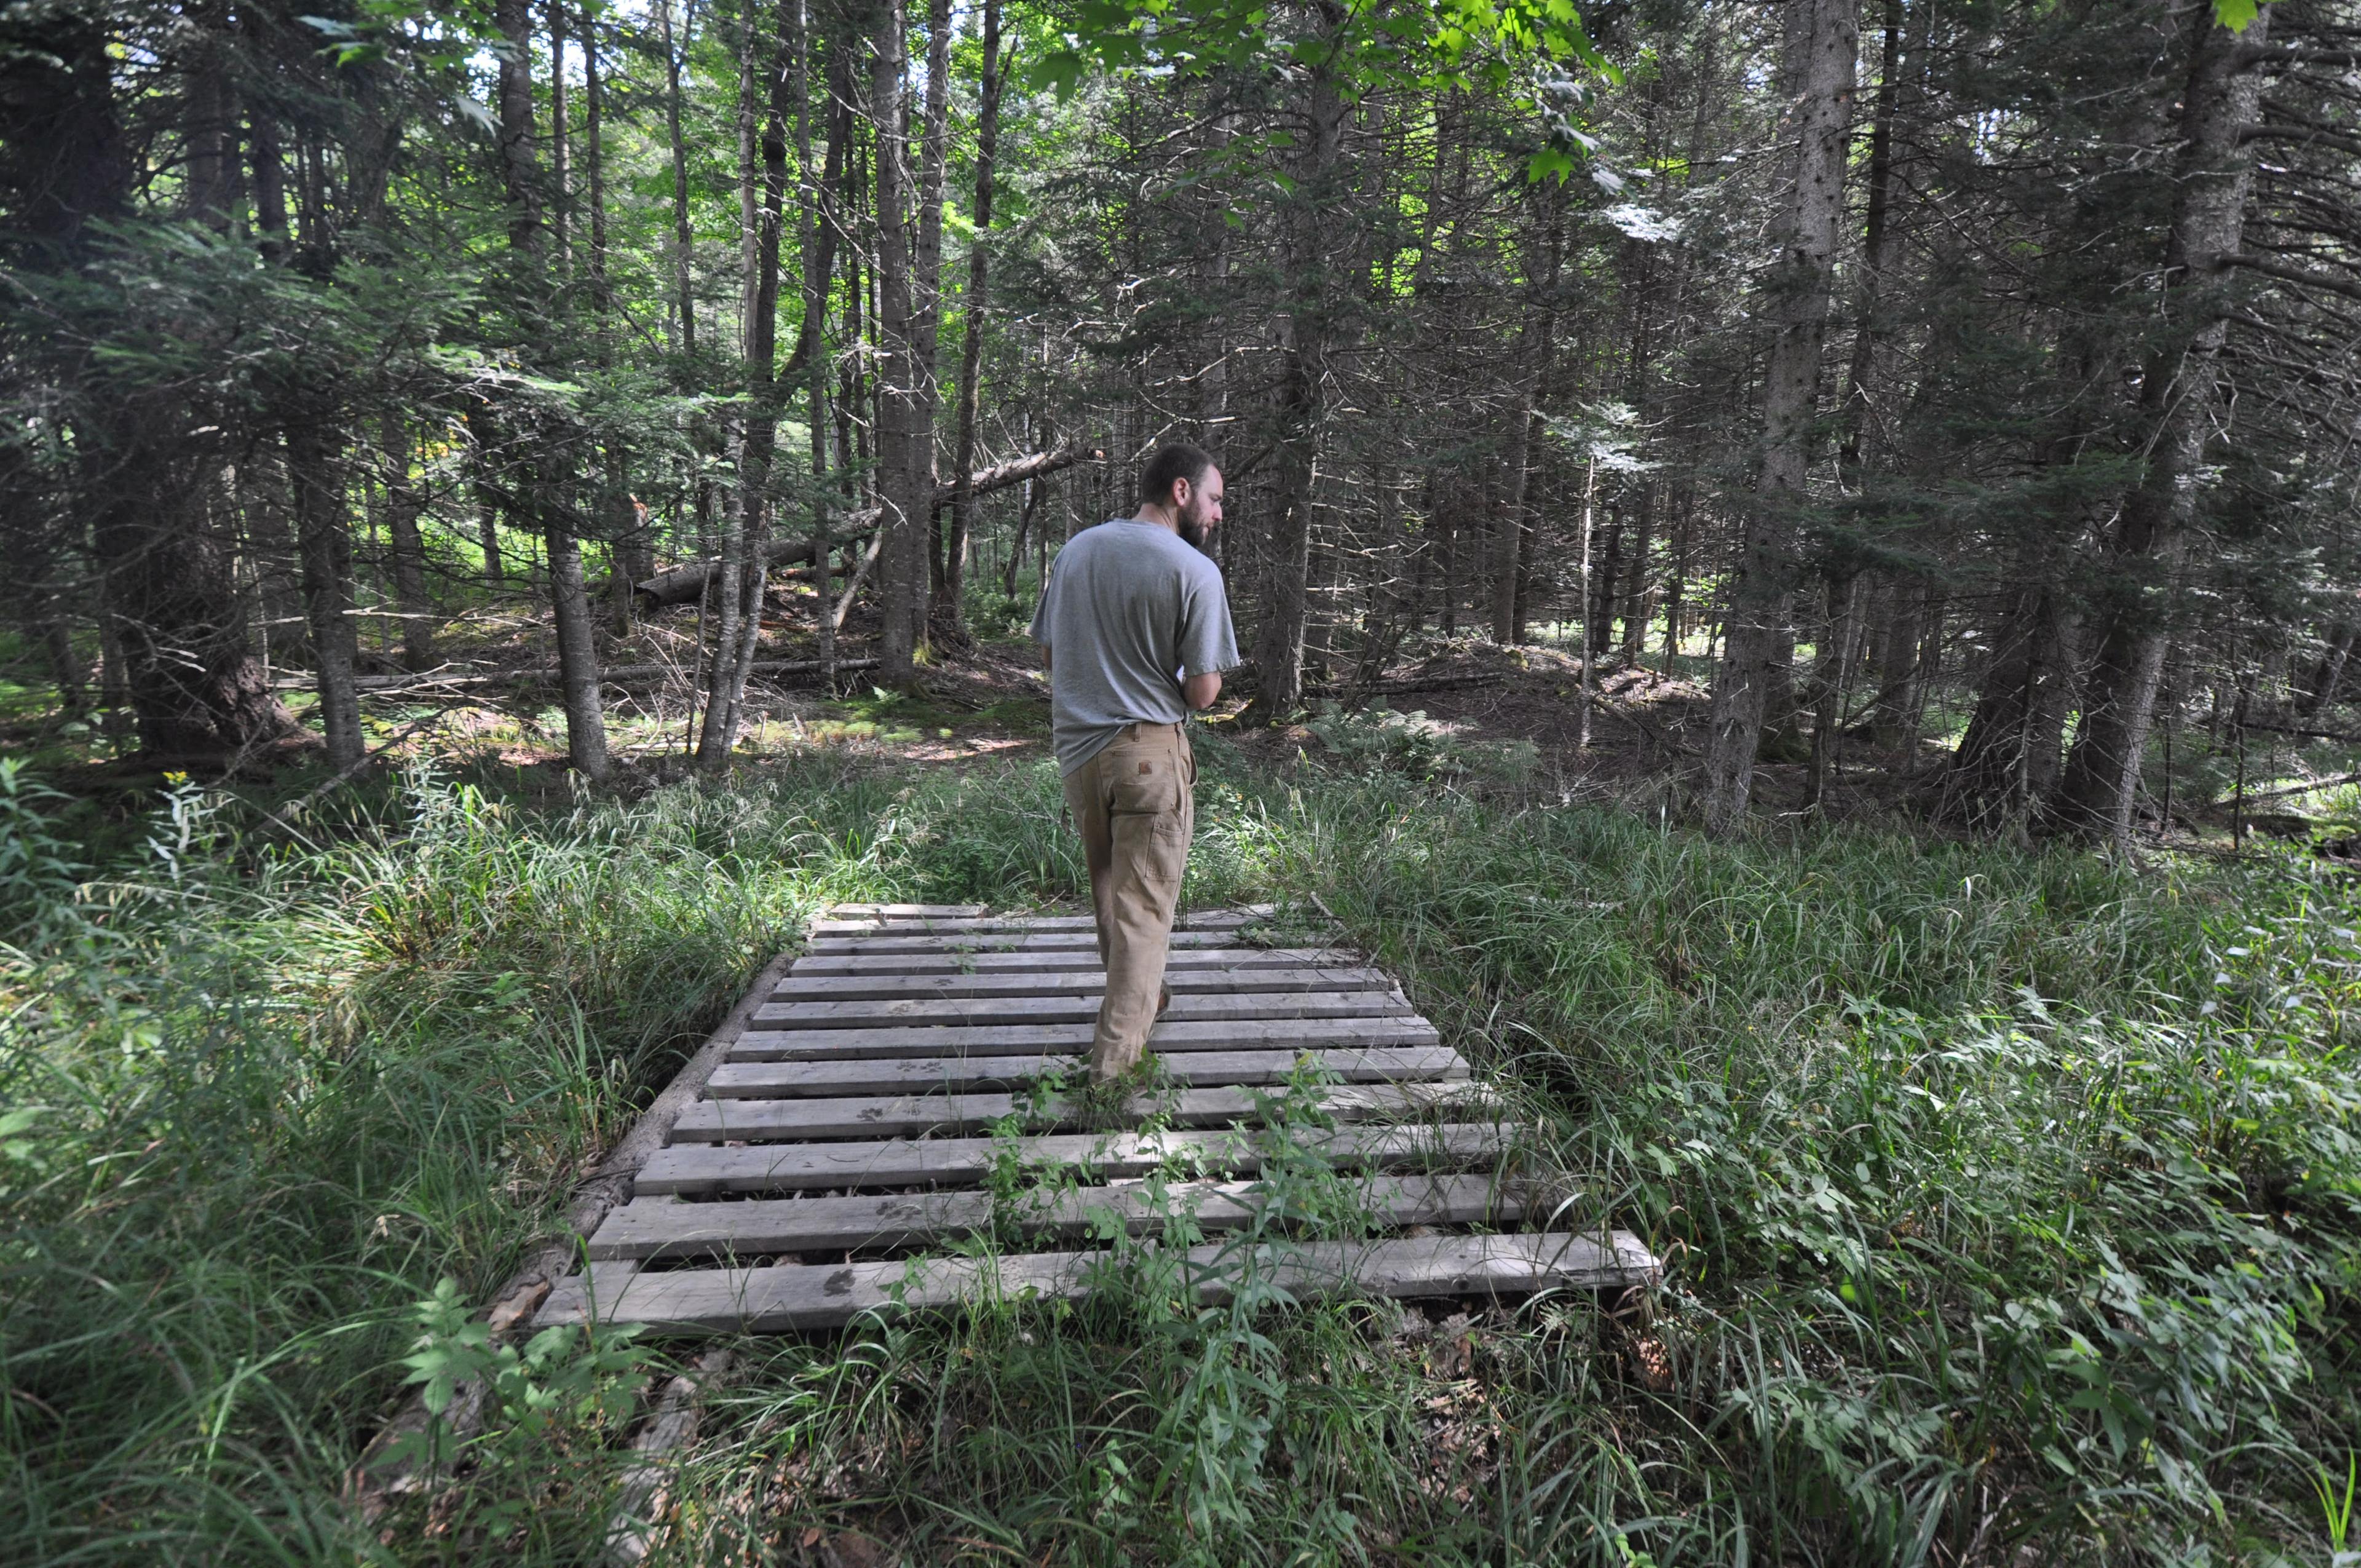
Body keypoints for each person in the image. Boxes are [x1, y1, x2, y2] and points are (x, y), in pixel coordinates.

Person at [1029, 443, 1240, 1087]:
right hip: (1148, 754)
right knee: (1145, 909)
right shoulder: (1193, 570)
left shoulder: (1078, 551)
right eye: (1215, 499)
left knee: (1109, 892)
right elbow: (1203, 694)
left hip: (1079, 754)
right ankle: (1114, 1075)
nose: (1219, 514)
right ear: (1182, 493)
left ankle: (1145, 997)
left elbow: (1051, 654)